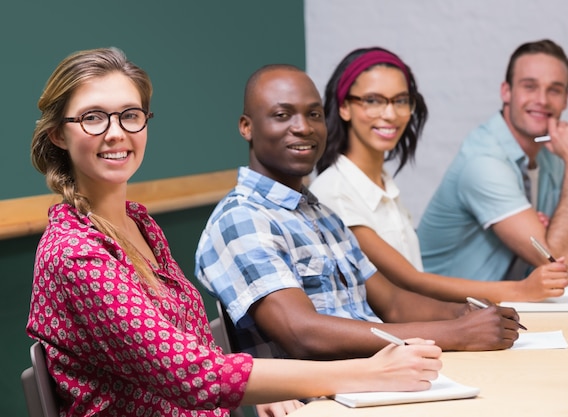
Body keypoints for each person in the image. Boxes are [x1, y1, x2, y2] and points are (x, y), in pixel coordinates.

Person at [25, 47, 444, 417]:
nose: (116, 132)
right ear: (59, 133)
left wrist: (257, 387)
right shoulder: (75, 251)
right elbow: (189, 375)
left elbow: (186, 348)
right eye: (93, 118)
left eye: (130, 115)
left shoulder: (139, 224)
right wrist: (367, 372)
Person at [195, 63, 522, 364]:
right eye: (282, 115)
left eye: (314, 115)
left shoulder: (322, 215)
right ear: (246, 127)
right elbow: (302, 334)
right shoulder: (241, 219)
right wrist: (457, 334)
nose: (303, 128)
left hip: (384, 379)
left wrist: (467, 314)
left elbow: (392, 302)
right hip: (325, 400)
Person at [310, 46, 568, 304]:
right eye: (373, 100)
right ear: (344, 107)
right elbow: (409, 281)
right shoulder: (335, 193)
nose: (390, 114)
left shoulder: (383, 186)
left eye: (400, 101)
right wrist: (521, 291)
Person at [417, 39, 568, 282]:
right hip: (445, 313)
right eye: (529, 86)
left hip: (506, 308)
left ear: (565, 99)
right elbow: (556, 260)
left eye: (554, 89)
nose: (542, 99)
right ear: (506, 91)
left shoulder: (550, 156)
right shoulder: (484, 162)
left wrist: (559, 237)